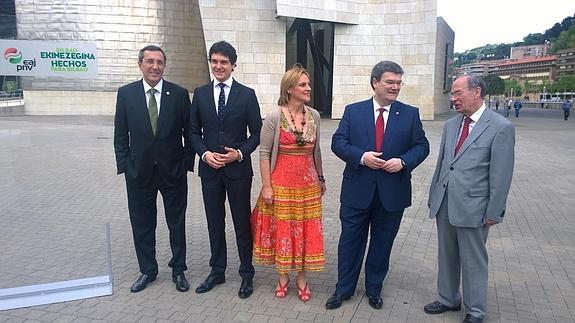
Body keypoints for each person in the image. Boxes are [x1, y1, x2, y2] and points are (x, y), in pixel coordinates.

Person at [327, 61, 429, 310]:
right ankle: (344, 289)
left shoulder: (410, 113)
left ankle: (374, 289)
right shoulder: (354, 111)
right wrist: (362, 157)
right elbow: (338, 142)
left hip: (392, 193)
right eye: (390, 82)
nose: (395, 87)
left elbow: (422, 146)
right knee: (350, 242)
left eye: (398, 83)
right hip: (357, 191)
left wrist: (403, 161)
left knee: (382, 244)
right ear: (375, 82)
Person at [425, 75, 515, 323]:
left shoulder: (500, 127)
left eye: (457, 93)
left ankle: (475, 310)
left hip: (475, 208)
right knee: (447, 255)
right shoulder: (451, 125)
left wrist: (494, 211)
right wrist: (434, 195)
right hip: (445, 202)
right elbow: (444, 164)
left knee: (474, 261)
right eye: (452, 94)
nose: (452, 98)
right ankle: (448, 299)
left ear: (476, 92)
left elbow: (501, 174)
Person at [114, 45, 194, 293]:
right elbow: (120, 134)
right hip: (139, 173)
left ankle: (178, 269)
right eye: (150, 61)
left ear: (164, 66)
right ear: (140, 64)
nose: (155, 66)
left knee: (176, 223)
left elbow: (189, 134)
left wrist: (185, 165)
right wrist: (125, 165)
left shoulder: (179, 94)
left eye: (159, 62)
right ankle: (147, 270)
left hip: (173, 172)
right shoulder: (126, 94)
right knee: (142, 224)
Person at [189, 40, 262, 299]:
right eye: (215, 61)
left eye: (224, 62)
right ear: (210, 63)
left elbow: (257, 133)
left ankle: (246, 273)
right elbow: (192, 131)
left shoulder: (247, 94)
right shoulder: (200, 93)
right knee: (214, 222)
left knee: (242, 223)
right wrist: (205, 154)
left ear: (233, 65)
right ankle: (217, 271)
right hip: (210, 170)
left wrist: (239, 153)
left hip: (238, 171)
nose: (219, 66)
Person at [251, 64, 326, 302]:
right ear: (290, 88)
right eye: (303, 85)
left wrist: (321, 177)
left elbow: (317, 151)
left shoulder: (313, 115)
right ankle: (282, 276)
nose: (308, 88)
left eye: (308, 84)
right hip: (281, 184)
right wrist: (266, 185)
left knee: (306, 231)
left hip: (308, 186)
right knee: (284, 231)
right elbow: (264, 152)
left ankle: (302, 279)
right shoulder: (274, 116)